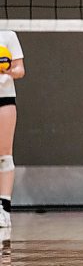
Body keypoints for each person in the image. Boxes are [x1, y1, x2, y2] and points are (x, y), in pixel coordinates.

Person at [0, 31, 25, 228]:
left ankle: (4, 208)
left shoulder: (8, 35)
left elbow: (20, 70)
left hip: (4, 100)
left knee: (4, 154)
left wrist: (7, 71)